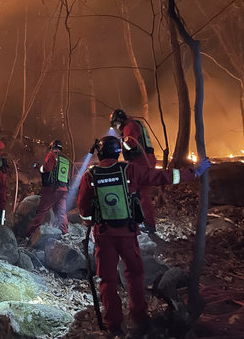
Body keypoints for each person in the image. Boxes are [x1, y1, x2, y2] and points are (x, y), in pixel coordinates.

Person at [77, 136, 210, 336]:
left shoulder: (90, 176)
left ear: (100, 153)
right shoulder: (129, 170)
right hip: (128, 234)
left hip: (103, 237)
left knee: (107, 280)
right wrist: (194, 172)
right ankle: (139, 318)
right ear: (117, 152)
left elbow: (83, 210)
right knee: (135, 276)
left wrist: (90, 220)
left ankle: (114, 325)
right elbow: (162, 176)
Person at [110, 109, 157, 233]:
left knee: (141, 193)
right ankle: (142, 220)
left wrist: (118, 145)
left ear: (119, 120)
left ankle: (148, 224)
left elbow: (130, 144)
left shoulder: (129, 126)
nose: (116, 127)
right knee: (136, 191)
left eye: (116, 124)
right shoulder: (135, 124)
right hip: (144, 160)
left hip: (141, 161)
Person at [25, 139, 72, 237]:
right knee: (62, 212)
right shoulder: (65, 159)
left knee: (42, 211)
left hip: (52, 189)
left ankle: (29, 234)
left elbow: (46, 169)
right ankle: (65, 233)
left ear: (52, 147)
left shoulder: (51, 155)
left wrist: (38, 166)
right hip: (63, 189)